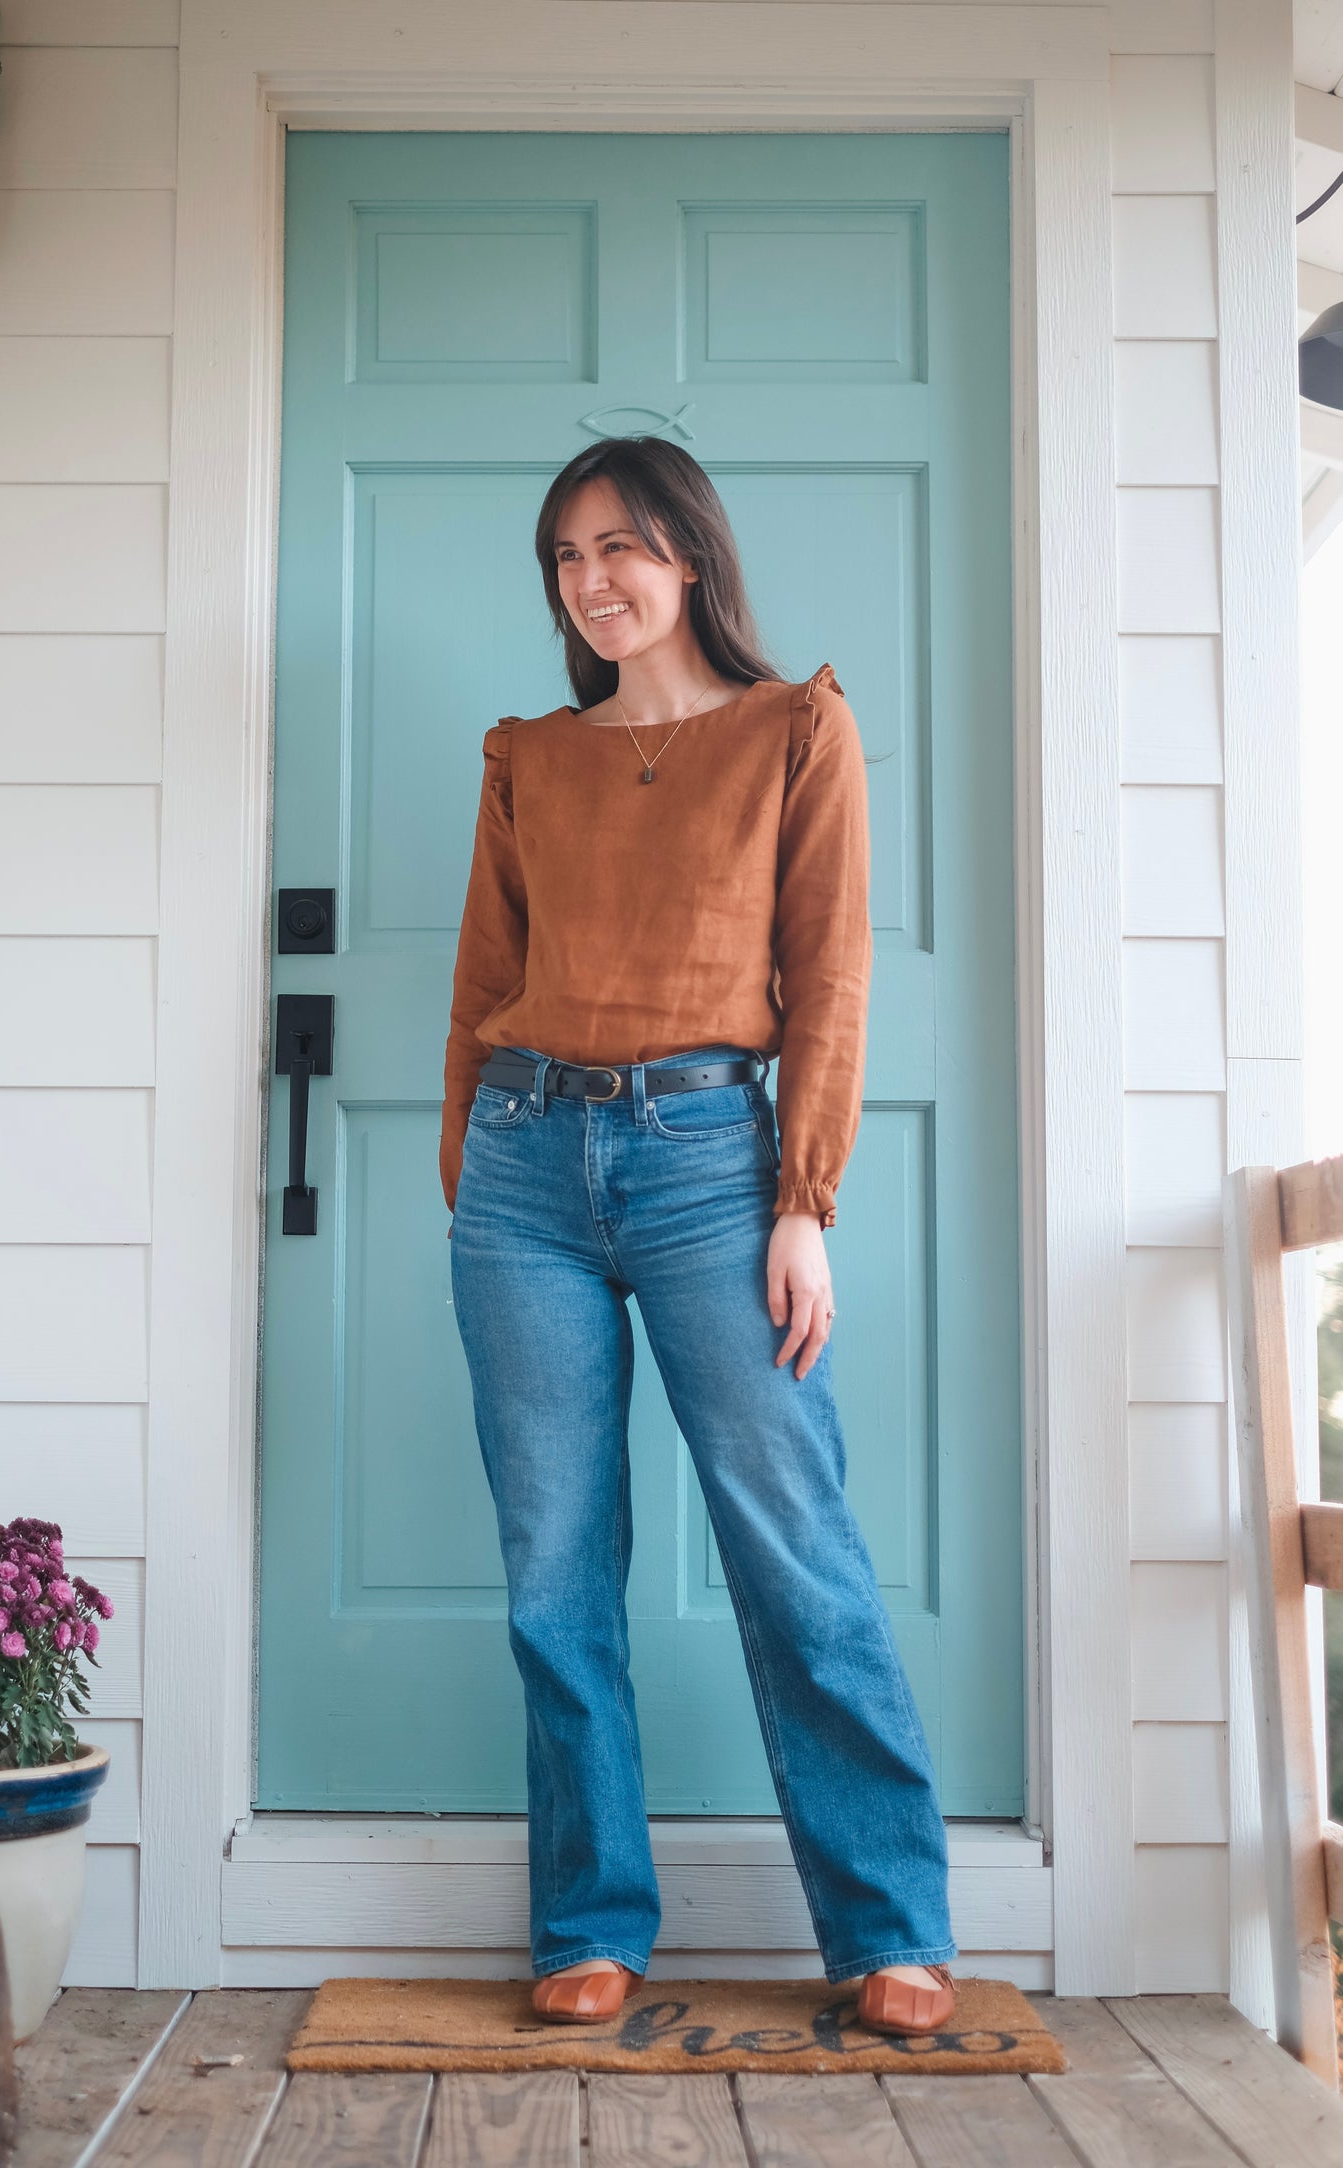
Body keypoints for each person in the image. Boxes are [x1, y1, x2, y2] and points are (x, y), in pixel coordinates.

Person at [439, 437, 956, 2036]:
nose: (593, 583)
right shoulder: (527, 754)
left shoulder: (794, 727)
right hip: (525, 1166)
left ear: (687, 555)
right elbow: (479, 978)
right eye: (565, 557)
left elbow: (831, 979)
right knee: (553, 1572)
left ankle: (885, 1930)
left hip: (712, 1167)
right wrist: (469, 1164)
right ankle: (587, 1923)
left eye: (620, 548)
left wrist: (801, 1203)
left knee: (794, 1551)